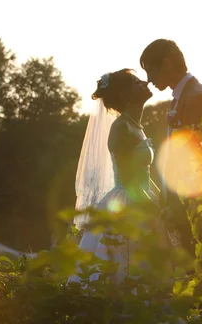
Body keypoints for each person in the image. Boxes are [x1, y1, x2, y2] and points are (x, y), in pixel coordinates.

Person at [140, 39, 202, 257]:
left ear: (167, 64)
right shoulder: (182, 97)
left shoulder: (197, 98)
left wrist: (186, 206)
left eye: (151, 72)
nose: (149, 81)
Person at [69, 68, 160, 284]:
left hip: (142, 196)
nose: (145, 83)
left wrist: (161, 198)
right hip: (128, 203)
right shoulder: (121, 128)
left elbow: (143, 173)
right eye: (137, 83)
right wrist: (154, 210)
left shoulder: (136, 126)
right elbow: (129, 180)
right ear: (125, 95)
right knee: (125, 266)